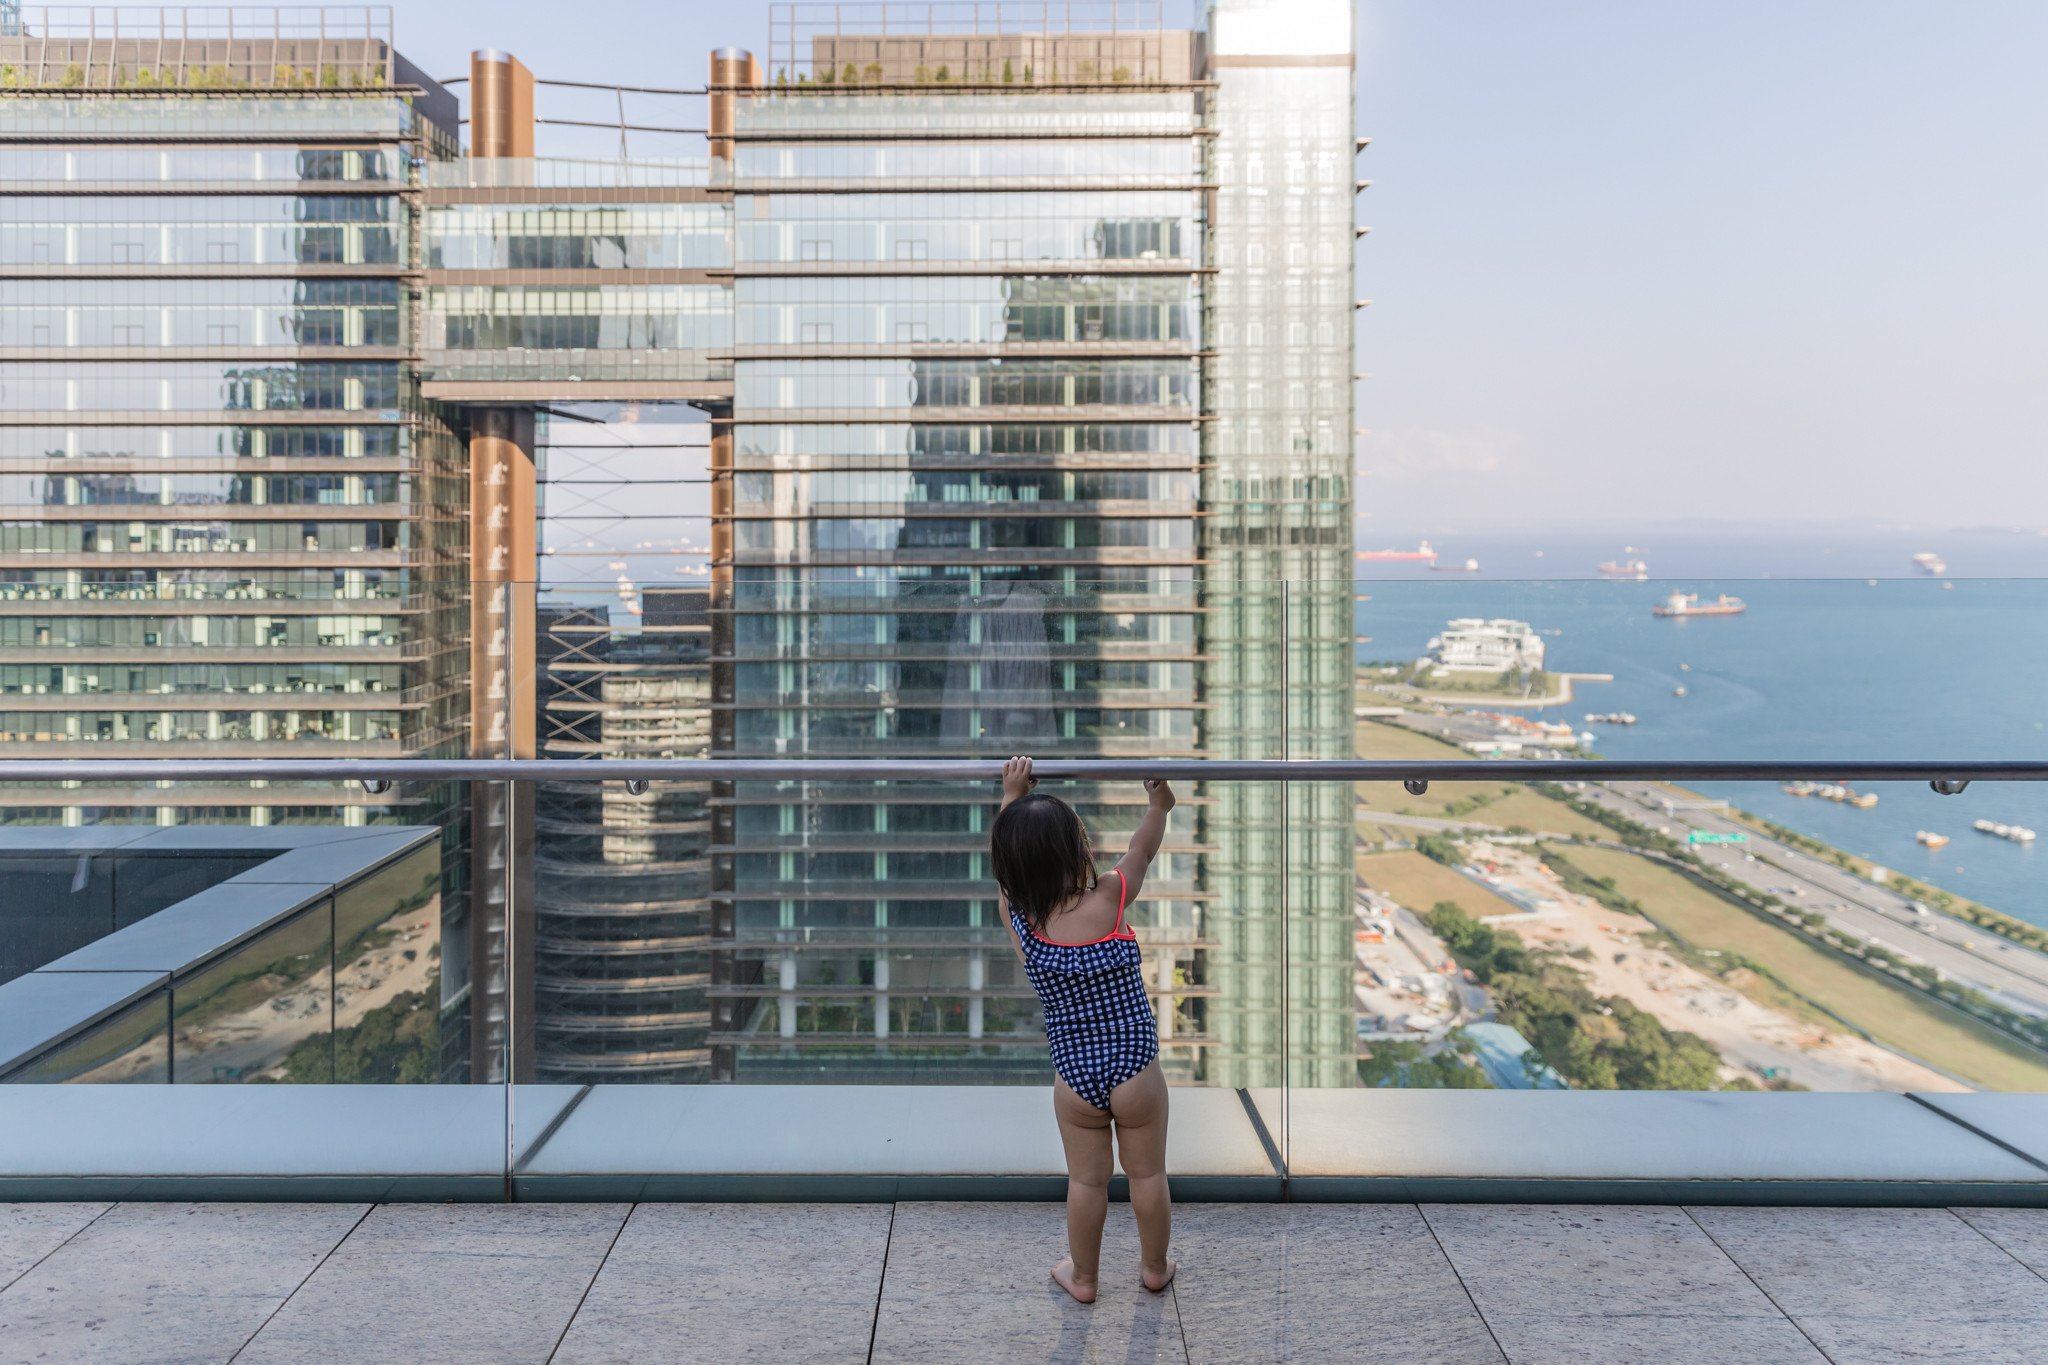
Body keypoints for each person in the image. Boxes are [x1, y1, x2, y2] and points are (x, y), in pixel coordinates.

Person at [992, 755, 1175, 1304]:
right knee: (1147, 1177)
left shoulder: (1023, 921)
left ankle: (1086, 1278)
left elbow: (1005, 874)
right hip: (1135, 1068)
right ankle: (1154, 1268)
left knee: (1086, 1182)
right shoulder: (1111, 896)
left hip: (1075, 1077)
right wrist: (1158, 805)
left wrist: (1011, 797)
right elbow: (1143, 849)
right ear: (1080, 849)